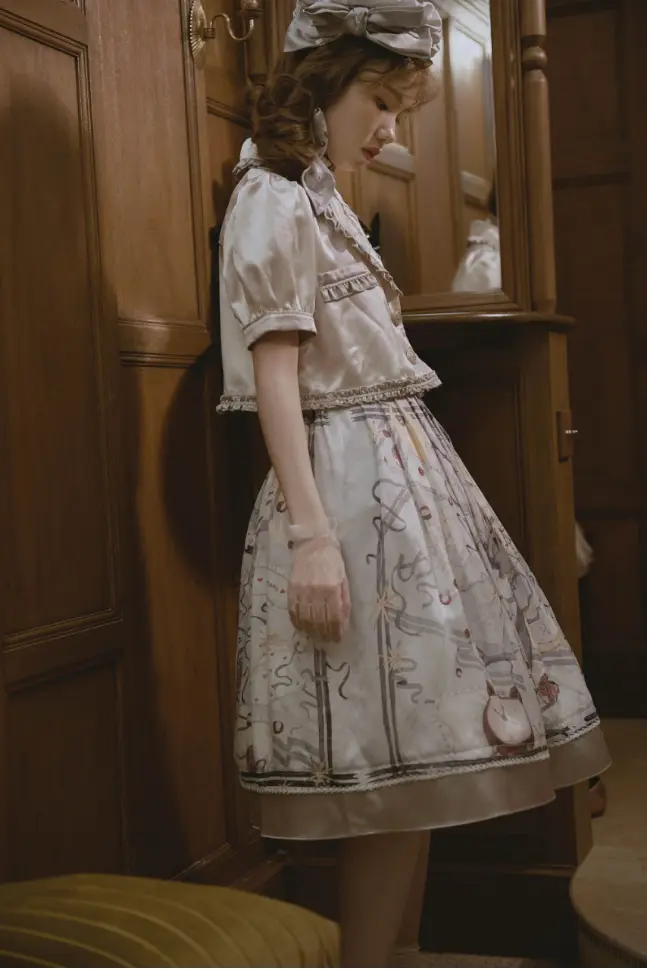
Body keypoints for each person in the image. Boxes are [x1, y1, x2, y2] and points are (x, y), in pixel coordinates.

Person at [216, 2, 611, 964]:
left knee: (421, 767)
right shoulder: (271, 197)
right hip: (348, 495)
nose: (390, 132)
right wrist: (311, 533)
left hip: (398, 488)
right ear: (327, 82)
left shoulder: (320, 198)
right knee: (386, 778)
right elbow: (276, 376)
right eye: (381, 102)